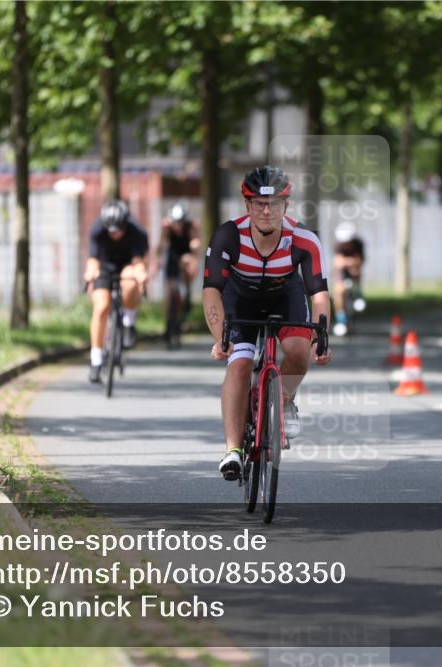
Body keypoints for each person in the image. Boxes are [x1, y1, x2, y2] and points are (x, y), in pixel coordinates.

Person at [202, 166, 332, 480]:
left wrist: (321, 337)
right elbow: (211, 292)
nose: (266, 210)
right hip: (239, 299)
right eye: (259, 204)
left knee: (299, 350)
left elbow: (319, 295)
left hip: (284, 296)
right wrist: (222, 337)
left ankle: (283, 401)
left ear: (286, 206)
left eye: (274, 203)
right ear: (247, 206)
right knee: (240, 364)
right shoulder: (228, 235)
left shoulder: (304, 239)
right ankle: (233, 451)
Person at [83, 199, 149, 383]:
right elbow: (93, 259)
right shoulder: (97, 229)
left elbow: (138, 262)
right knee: (101, 306)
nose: (115, 233)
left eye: (118, 229)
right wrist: (90, 273)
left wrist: (141, 274)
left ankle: (128, 321)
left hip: (128, 264)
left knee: (129, 284)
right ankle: (96, 360)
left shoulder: (137, 232)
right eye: (110, 230)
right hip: (105, 265)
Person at [156, 201, 200, 329]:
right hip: (173, 253)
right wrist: (158, 259)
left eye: (181, 223)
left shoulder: (191, 226)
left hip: (186, 251)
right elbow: (161, 244)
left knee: (188, 264)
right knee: (170, 288)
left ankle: (187, 292)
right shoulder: (166, 226)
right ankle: (168, 321)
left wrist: (193, 256)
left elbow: (195, 245)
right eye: (176, 223)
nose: (178, 226)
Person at [331, 221, 366, 337]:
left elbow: (360, 261)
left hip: (354, 268)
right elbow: (338, 263)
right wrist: (349, 262)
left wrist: (351, 263)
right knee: (339, 290)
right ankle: (341, 319)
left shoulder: (359, 243)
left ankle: (358, 293)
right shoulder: (337, 244)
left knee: (356, 271)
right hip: (341, 271)